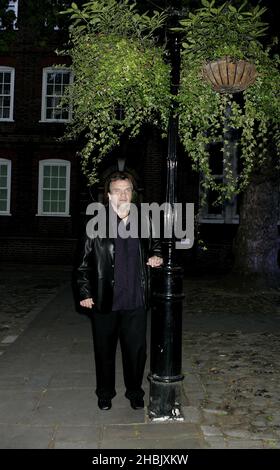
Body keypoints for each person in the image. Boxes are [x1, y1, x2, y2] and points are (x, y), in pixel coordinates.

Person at [75, 171, 163, 410]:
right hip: (105, 299)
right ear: (109, 195)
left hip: (136, 299)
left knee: (136, 353)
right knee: (104, 351)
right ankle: (105, 393)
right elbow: (83, 263)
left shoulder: (144, 220)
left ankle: (135, 392)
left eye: (127, 190)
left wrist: (157, 258)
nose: (123, 195)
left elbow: (156, 248)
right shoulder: (95, 224)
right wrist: (85, 293)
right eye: (118, 190)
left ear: (132, 193)